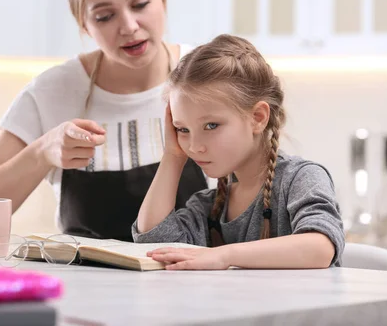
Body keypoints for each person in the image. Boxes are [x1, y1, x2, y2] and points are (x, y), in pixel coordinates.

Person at [0, 0, 208, 241]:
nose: (129, 26)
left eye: (141, 4)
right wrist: (41, 153)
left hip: (194, 284)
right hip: (83, 287)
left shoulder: (208, 75)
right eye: (105, 16)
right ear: (83, 23)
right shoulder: (51, 93)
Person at [133, 34, 345, 270]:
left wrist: (225, 255)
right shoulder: (209, 206)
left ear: (257, 118)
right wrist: (173, 156)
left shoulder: (300, 179)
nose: (194, 146)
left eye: (211, 126)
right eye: (182, 129)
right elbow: (152, 241)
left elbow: (320, 248)